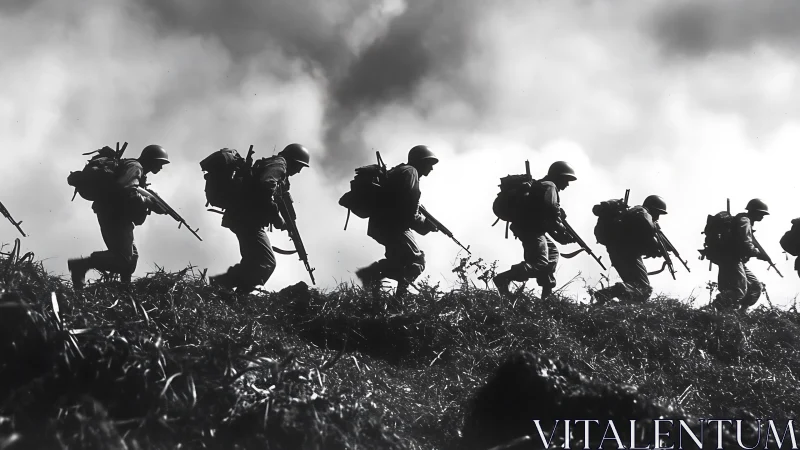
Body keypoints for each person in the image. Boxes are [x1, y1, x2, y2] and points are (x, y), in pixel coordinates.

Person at [208, 143, 309, 293]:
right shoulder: (280, 165)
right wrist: (277, 219)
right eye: (300, 166)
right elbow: (265, 185)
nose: (299, 171)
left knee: (254, 261)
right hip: (247, 219)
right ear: (293, 161)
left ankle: (230, 291)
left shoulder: (276, 165)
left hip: (242, 217)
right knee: (266, 263)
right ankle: (226, 287)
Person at [68, 145, 170, 289]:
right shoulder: (135, 167)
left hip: (117, 214)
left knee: (131, 259)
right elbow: (127, 190)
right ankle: (81, 266)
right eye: (159, 163)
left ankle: (124, 290)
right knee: (124, 259)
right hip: (113, 214)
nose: (161, 167)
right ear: (151, 160)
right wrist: (149, 202)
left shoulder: (137, 169)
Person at [355, 145, 439, 298]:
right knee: (416, 262)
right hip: (393, 226)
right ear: (421, 161)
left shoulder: (401, 171)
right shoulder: (411, 173)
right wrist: (425, 225)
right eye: (429, 163)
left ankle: (373, 276)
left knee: (400, 261)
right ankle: (398, 298)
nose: (432, 168)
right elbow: (407, 211)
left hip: (381, 225)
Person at [492, 161, 577, 299]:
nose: (567, 184)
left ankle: (547, 295)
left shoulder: (542, 185)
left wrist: (560, 235)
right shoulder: (550, 186)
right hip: (530, 229)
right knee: (540, 263)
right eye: (566, 180)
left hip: (532, 228)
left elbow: (543, 216)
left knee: (552, 254)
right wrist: (562, 231)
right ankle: (503, 278)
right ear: (558, 177)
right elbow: (550, 213)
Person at [591, 195, 666, 305]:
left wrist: (650, 249)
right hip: (626, 254)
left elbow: (633, 237)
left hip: (618, 253)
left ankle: (609, 303)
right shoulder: (642, 211)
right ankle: (606, 294)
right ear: (653, 208)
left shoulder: (632, 214)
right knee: (643, 289)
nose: (658, 217)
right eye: (658, 213)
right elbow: (647, 228)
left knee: (635, 288)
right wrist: (654, 244)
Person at [711, 199, 770, 312]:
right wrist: (758, 253)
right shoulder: (744, 221)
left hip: (736, 259)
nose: (763, 216)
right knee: (738, 291)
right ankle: (715, 308)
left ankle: (741, 313)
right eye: (761, 213)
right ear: (754, 211)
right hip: (731, 258)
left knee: (755, 287)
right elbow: (746, 243)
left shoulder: (744, 220)